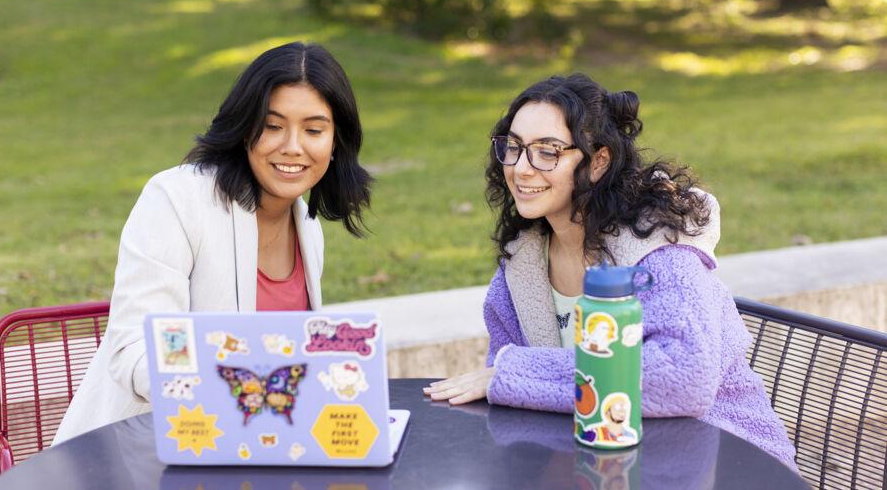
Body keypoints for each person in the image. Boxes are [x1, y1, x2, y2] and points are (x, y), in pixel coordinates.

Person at [424, 74, 797, 469]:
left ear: (599, 161)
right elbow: (514, 403)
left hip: (726, 462)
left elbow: (682, 377)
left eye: (547, 151)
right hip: (609, 467)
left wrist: (515, 373)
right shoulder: (521, 271)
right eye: (513, 148)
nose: (521, 168)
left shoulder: (662, 250)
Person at [54, 41, 371, 443]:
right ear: (244, 130)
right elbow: (134, 347)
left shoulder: (307, 227)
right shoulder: (177, 199)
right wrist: (221, 391)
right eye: (272, 126)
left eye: (313, 130)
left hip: (247, 451)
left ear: (335, 142)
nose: (292, 146)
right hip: (139, 449)